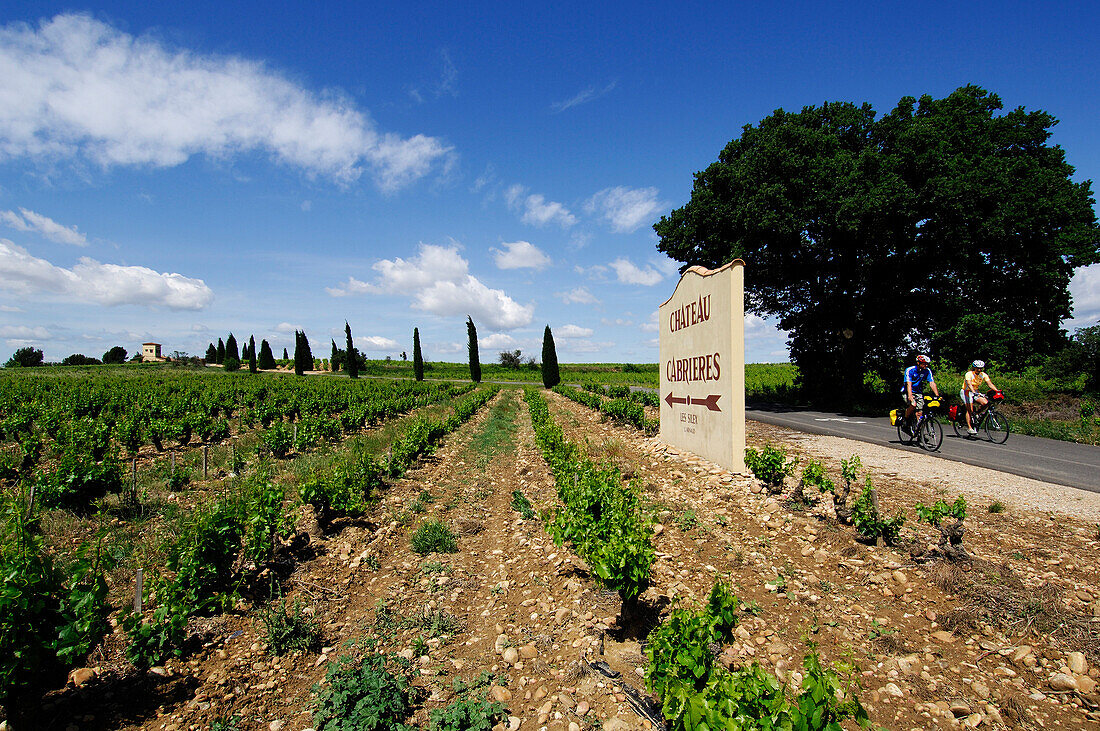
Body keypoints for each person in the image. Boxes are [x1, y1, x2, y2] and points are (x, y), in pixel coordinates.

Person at [901, 354, 941, 433]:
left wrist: (937, 395)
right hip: (907, 391)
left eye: (927, 364)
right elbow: (909, 384)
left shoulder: (927, 371)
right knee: (913, 405)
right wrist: (910, 395)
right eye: (924, 363)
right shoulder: (910, 370)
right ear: (918, 363)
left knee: (919, 412)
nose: (926, 365)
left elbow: (932, 383)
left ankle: (919, 432)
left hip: (918, 392)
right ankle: (905, 421)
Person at [960, 359, 999, 435]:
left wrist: (997, 391)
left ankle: (977, 414)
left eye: (981, 368)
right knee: (969, 409)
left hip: (975, 391)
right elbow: (969, 384)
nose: (979, 369)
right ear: (974, 367)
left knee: (985, 403)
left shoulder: (983, 375)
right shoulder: (969, 374)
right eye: (977, 368)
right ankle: (970, 427)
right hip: (966, 392)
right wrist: (974, 392)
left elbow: (989, 384)